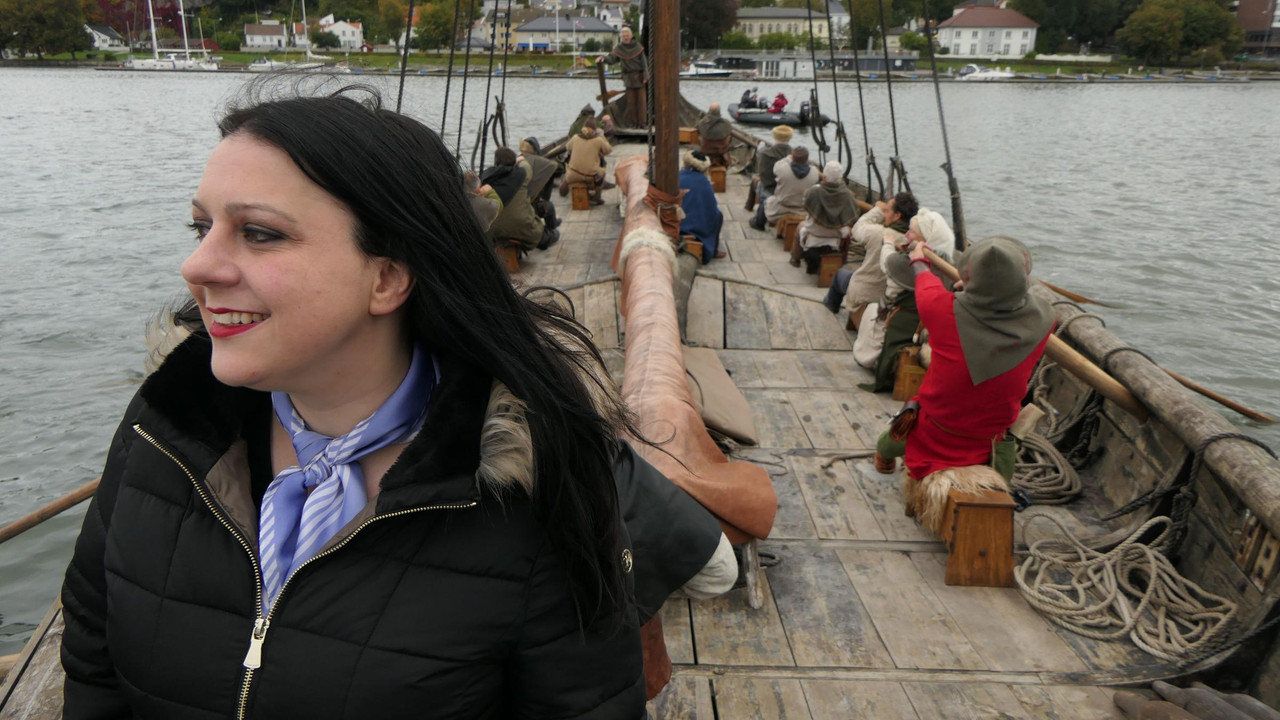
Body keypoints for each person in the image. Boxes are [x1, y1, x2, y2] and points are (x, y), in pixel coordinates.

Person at [59, 84, 724, 719]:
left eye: (258, 233)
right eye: (200, 226)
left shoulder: (532, 486)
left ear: (388, 276)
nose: (196, 265)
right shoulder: (164, 427)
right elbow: (93, 658)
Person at [873, 237, 1054, 484]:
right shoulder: (1045, 320)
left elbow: (925, 280)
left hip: (937, 427)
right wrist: (975, 290)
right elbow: (1015, 299)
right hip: (990, 436)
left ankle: (884, 455)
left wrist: (919, 260)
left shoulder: (939, 309)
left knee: (906, 420)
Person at [855, 207, 956, 391]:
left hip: (904, 322)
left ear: (924, 241)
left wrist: (887, 244)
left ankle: (872, 360)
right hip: (928, 326)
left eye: (911, 232)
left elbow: (887, 263)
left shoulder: (905, 263)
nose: (907, 234)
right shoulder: (947, 265)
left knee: (871, 309)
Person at [837, 192, 918, 326]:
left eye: (887, 211)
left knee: (840, 276)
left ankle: (831, 306)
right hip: (891, 301)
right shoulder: (915, 244)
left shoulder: (878, 233)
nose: (885, 214)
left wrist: (878, 210)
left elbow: (857, 228)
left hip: (864, 296)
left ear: (897, 215)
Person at [792, 161, 859, 272]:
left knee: (800, 226)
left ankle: (795, 259)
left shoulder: (813, 192)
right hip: (836, 234)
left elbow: (805, 203)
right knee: (848, 232)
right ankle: (843, 260)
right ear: (841, 178)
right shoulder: (848, 195)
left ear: (824, 176)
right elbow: (853, 214)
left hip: (814, 232)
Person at [484, 147, 554, 252]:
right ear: (513, 162)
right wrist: (520, 159)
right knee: (550, 237)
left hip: (495, 231)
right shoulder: (522, 174)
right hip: (523, 227)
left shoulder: (486, 178)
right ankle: (550, 233)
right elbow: (526, 165)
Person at [678, 150, 724, 263]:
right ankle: (713, 251)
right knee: (719, 215)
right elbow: (711, 210)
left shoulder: (677, 176)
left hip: (676, 226)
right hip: (696, 233)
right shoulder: (704, 182)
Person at [597, 27, 646, 127]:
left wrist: (646, 77)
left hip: (639, 77)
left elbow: (644, 63)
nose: (625, 37)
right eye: (623, 36)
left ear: (631, 36)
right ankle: (633, 124)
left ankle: (642, 123)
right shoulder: (619, 48)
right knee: (631, 103)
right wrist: (603, 58)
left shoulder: (638, 47)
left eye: (627, 35)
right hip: (628, 78)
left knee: (641, 103)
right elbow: (612, 59)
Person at [748, 124, 793, 231]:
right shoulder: (794, 155)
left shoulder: (765, 153)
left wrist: (760, 149)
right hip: (787, 189)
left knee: (758, 182)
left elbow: (762, 173)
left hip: (770, 189)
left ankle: (759, 219)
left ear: (774, 136)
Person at [517, 136, 563, 238]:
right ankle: (551, 227)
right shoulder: (539, 162)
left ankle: (553, 222)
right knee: (549, 206)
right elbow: (558, 167)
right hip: (528, 207)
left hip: (515, 203)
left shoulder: (515, 161)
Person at [763, 145, 817, 225]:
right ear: (807, 159)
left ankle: (758, 222)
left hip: (779, 211)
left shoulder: (782, 168)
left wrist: (788, 158)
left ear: (792, 157)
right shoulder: (814, 172)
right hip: (802, 211)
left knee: (764, 193)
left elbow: (777, 166)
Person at [564, 116, 613, 205]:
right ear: (595, 130)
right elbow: (608, 150)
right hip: (591, 175)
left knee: (569, 172)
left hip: (573, 174)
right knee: (602, 173)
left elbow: (567, 147)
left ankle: (565, 185)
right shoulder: (598, 140)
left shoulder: (575, 137)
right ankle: (597, 197)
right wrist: (602, 136)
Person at [696, 103, 733, 168]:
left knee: (692, 147)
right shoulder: (727, 124)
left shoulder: (702, 123)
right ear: (719, 112)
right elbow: (729, 138)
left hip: (705, 152)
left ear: (709, 111)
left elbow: (698, 131)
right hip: (721, 154)